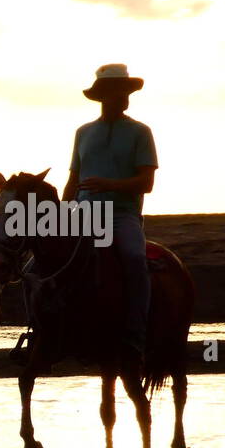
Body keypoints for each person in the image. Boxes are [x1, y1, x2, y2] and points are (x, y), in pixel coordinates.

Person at [61, 63, 157, 365]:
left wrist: (109, 185)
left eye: (125, 93)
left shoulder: (141, 132)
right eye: (117, 92)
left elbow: (146, 183)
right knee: (40, 264)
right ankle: (41, 330)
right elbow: (73, 180)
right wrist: (62, 214)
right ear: (103, 96)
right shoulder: (83, 133)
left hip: (121, 215)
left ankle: (136, 332)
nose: (123, 98)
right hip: (83, 214)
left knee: (133, 257)